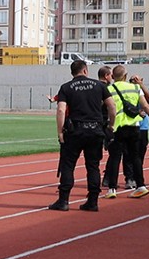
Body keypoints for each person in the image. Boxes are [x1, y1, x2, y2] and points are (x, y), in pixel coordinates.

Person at [48, 60, 116, 213]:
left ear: (72, 72)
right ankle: (92, 201)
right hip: (96, 131)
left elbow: (60, 110)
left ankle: (63, 200)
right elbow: (112, 106)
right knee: (93, 166)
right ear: (85, 71)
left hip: (75, 131)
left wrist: (60, 132)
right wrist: (111, 125)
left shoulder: (66, 87)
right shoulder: (100, 86)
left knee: (68, 165)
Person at [104, 65, 149, 199]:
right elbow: (146, 106)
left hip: (117, 127)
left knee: (115, 157)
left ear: (113, 77)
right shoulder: (135, 88)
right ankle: (141, 186)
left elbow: (104, 107)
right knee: (136, 157)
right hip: (134, 126)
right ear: (126, 76)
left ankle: (112, 189)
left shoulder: (109, 89)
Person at [123, 75, 149, 189]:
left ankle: (137, 177)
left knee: (140, 154)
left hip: (142, 127)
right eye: (132, 80)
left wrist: (141, 85)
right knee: (127, 154)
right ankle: (129, 178)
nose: (134, 82)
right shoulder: (126, 92)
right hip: (130, 125)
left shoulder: (145, 91)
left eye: (137, 80)